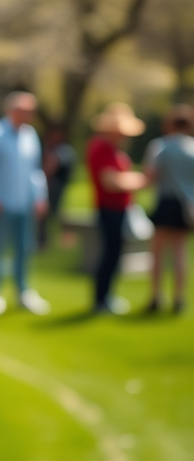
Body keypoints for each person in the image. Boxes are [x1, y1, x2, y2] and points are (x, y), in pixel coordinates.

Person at [0, 91, 50, 316]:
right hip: (2, 203)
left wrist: (40, 196)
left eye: (30, 111)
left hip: (25, 202)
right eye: (23, 110)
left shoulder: (30, 135)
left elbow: (35, 170)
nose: (27, 115)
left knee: (24, 248)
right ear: (11, 110)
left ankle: (22, 291)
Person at [86, 102, 147, 315]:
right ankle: (101, 299)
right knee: (110, 253)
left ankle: (105, 297)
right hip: (109, 208)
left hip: (119, 208)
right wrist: (141, 180)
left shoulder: (113, 149)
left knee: (114, 253)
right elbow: (110, 181)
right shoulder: (101, 148)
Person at [143, 105, 194, 314]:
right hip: (187, 204)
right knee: (180, 252)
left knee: (157, 252)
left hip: (167, 201)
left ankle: (156, 296)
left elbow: (150, 175)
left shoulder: (161, 146)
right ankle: (178, 298)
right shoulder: (192, 148)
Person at [39, 123, 76, 250]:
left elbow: (51, 167)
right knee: (48, 215)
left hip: (54, 186)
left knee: (52, 213)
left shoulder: (61, 150)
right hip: (54, 185)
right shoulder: (60, 149)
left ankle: (57, 240)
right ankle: (43, 241)